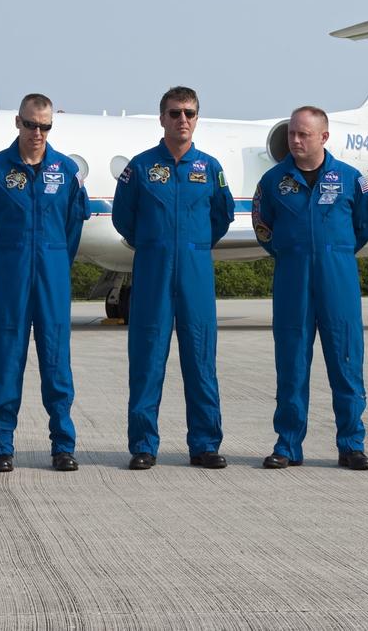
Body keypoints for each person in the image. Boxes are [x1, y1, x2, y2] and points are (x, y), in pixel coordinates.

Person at [111, 86, 235, 470]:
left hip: (196, 271)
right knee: (147, 359)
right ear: (161, 118)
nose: (183, 119)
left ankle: (204, 445)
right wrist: (153, 245)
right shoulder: (141, 167)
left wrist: (194, 247)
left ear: (197, 118)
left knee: (201, 358)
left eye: (190, 113)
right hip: (152, 270)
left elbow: (222, 217)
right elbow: (123, 218)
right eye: (175, 112)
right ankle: (144, 445)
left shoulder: (210, 168)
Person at [252, 106, 368, 471]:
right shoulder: (273, 182)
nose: (295, 140)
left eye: (303, 134)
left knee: (346, 363)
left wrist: (333, 253)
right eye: (292, 133)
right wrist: (291, 253)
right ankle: (288, 445)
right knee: (291, 366)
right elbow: (264, 229)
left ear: (323, 137)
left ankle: (351, 445)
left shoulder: (351, 179)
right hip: (292, 280)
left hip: (338, 279)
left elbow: (363, 226)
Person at [0, 94, 90, 473]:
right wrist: (13, 254)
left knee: (57, 364)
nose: (37, 132)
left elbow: (73, 227)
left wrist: (54, 259)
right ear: (17, 122)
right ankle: (1, 447)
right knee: (5, 361)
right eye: (31, 124)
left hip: (53, 276)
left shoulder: (66, 171)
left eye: (45, 126)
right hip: (11, 273)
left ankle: (63, 446)